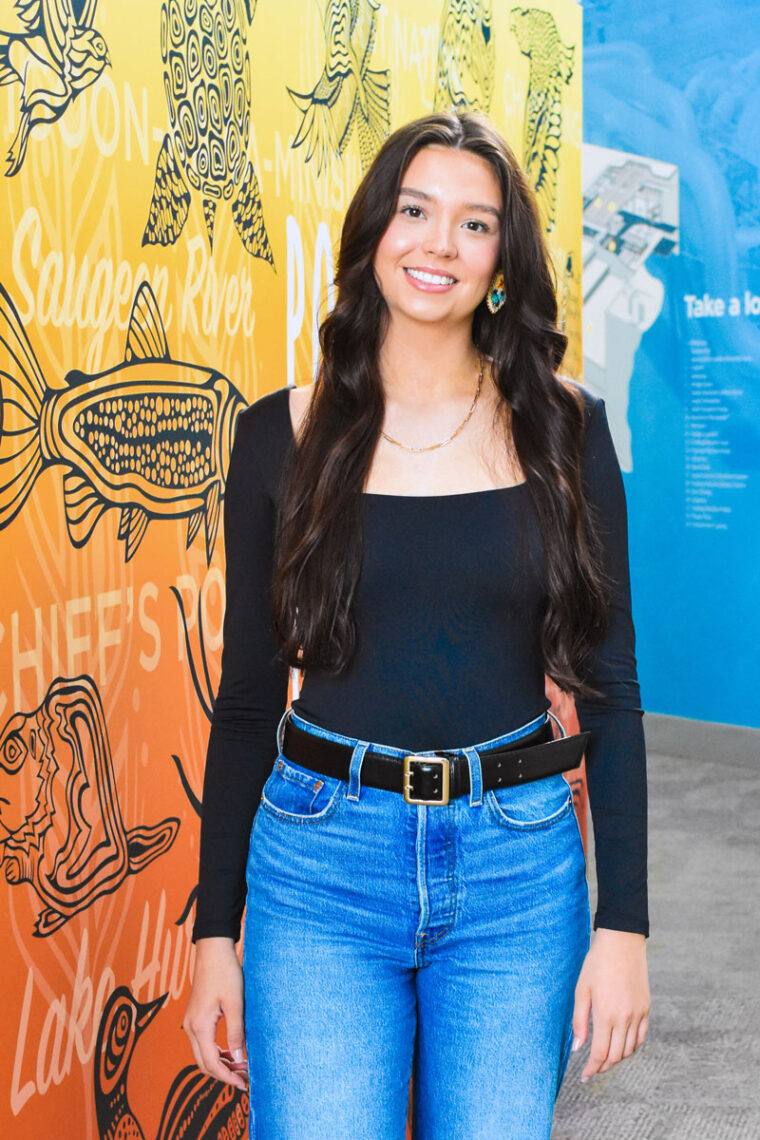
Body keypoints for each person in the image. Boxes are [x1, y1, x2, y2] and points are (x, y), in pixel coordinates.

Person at [182, 109, 650, 1139]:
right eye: (414, 210)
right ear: (373, 233)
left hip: (517, 872)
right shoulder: (281, 435)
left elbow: (610, 687)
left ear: (502, 261)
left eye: (474, 225)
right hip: (319, 868)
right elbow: (248, 698)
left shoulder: (568, 432)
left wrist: (623, 926)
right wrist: (215, 935)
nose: (438, 243)